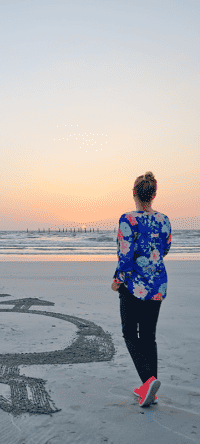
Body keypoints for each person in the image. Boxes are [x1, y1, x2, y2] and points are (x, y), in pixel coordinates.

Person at [111, 171, 171, 407]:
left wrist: (118, 279)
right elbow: (164, 249)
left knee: (129, 333)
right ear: (154, 194)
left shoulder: (128, 219)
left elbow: (125, 253)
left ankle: (148, 382)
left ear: (134, 193)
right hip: (156, 284)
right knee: (148, 337)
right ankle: (151, 390)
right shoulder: (164, 219)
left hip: (133, 285)